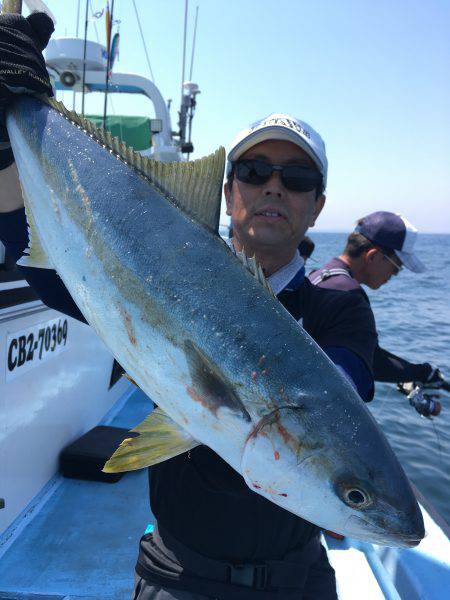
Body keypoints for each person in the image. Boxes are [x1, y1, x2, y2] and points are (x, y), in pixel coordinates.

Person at [0, 14, 378, 600]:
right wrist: (12, 128)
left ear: (318, 205)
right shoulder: (161, 262)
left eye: (297, 177)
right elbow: (36, 262)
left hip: (297, 580)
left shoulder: (336, 304)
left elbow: (340, 389)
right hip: (176, 575)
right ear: (227, 192)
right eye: (253, 172)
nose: (274, 187)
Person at [308, 212, 448, 388]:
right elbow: (370, 362)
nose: (394, 275)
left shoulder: (319, 276)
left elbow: (368, 353)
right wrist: (422, 373)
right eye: (397, 267)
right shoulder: (350, 298)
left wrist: (418, 373)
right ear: (373, 256)